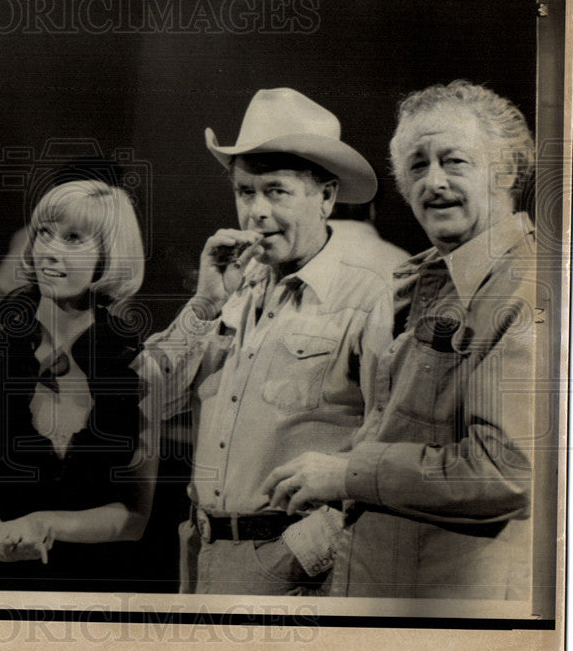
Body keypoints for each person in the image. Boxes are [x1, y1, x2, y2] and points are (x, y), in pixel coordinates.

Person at [262, 80, 537, 600]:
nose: (433, 182)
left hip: (451, 613)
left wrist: (347, 474)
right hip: (389, 588)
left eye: (454, 161)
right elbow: (397, 433)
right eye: (416, 165)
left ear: (506, 171)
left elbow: (505, 471)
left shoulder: (526, 289)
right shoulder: (431, 280)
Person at [145, 87, 395, 595]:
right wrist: (203, 305)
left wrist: (300, 555)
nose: (255, 211)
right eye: (245, 192)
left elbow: (391, 451)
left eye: (276, 191)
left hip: (296, 576)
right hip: (201, 559)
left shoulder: (369, 299)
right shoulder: (232, 288)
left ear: (325, 197)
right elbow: (147, 400)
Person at [0, 179, 159, 591]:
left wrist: (45, 523)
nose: (50, 250)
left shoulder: (141, 369)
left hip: (97, 588)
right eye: (44, 233)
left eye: (72, 238)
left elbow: (135, 517)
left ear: (108, 255)